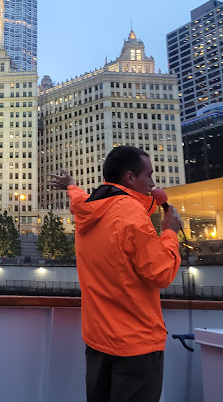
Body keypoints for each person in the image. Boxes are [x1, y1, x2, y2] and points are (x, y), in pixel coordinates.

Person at [49, 145, 182, 402]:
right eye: (149, 175)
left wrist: (71, 185)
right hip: (135, 346)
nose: (153, 184)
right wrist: (170, 233)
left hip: (97, 342)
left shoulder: (90, 207)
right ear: (130, 177)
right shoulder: (132, 214)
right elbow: (161, 273)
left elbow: (78, 199)